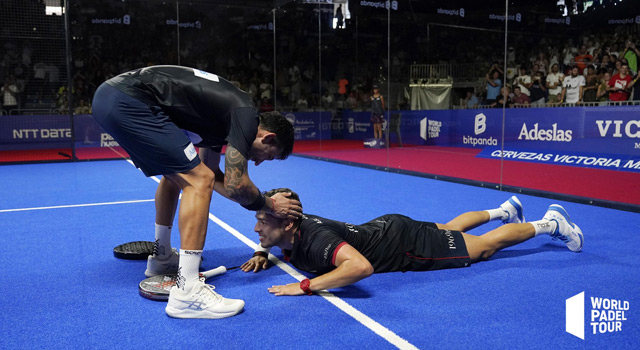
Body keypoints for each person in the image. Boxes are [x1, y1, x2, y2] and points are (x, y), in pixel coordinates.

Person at [91, 65, 302, 319]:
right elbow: (236, 185)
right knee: (197, 180)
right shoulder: (245, 115)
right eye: (268, 156)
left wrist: (260, 201)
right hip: (129, 101)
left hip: (115, 98)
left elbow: (214, 175)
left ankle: (162, 257)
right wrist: (270, 204)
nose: (258, 163)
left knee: (180, 176)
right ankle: (187, 291)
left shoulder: (220, 122)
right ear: (267, 138)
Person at [241, 188, 583, 296]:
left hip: (404, 244)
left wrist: (304, 286)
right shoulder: (290, 225)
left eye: (261, 222)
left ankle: (550, 223)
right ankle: (505, 209)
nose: (257, 228)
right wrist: (261, 251)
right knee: (449, 228)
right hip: (387, 226)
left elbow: (360, 267)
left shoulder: (315, 240)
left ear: (287, 223)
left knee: (484, 247)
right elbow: (273, 235)